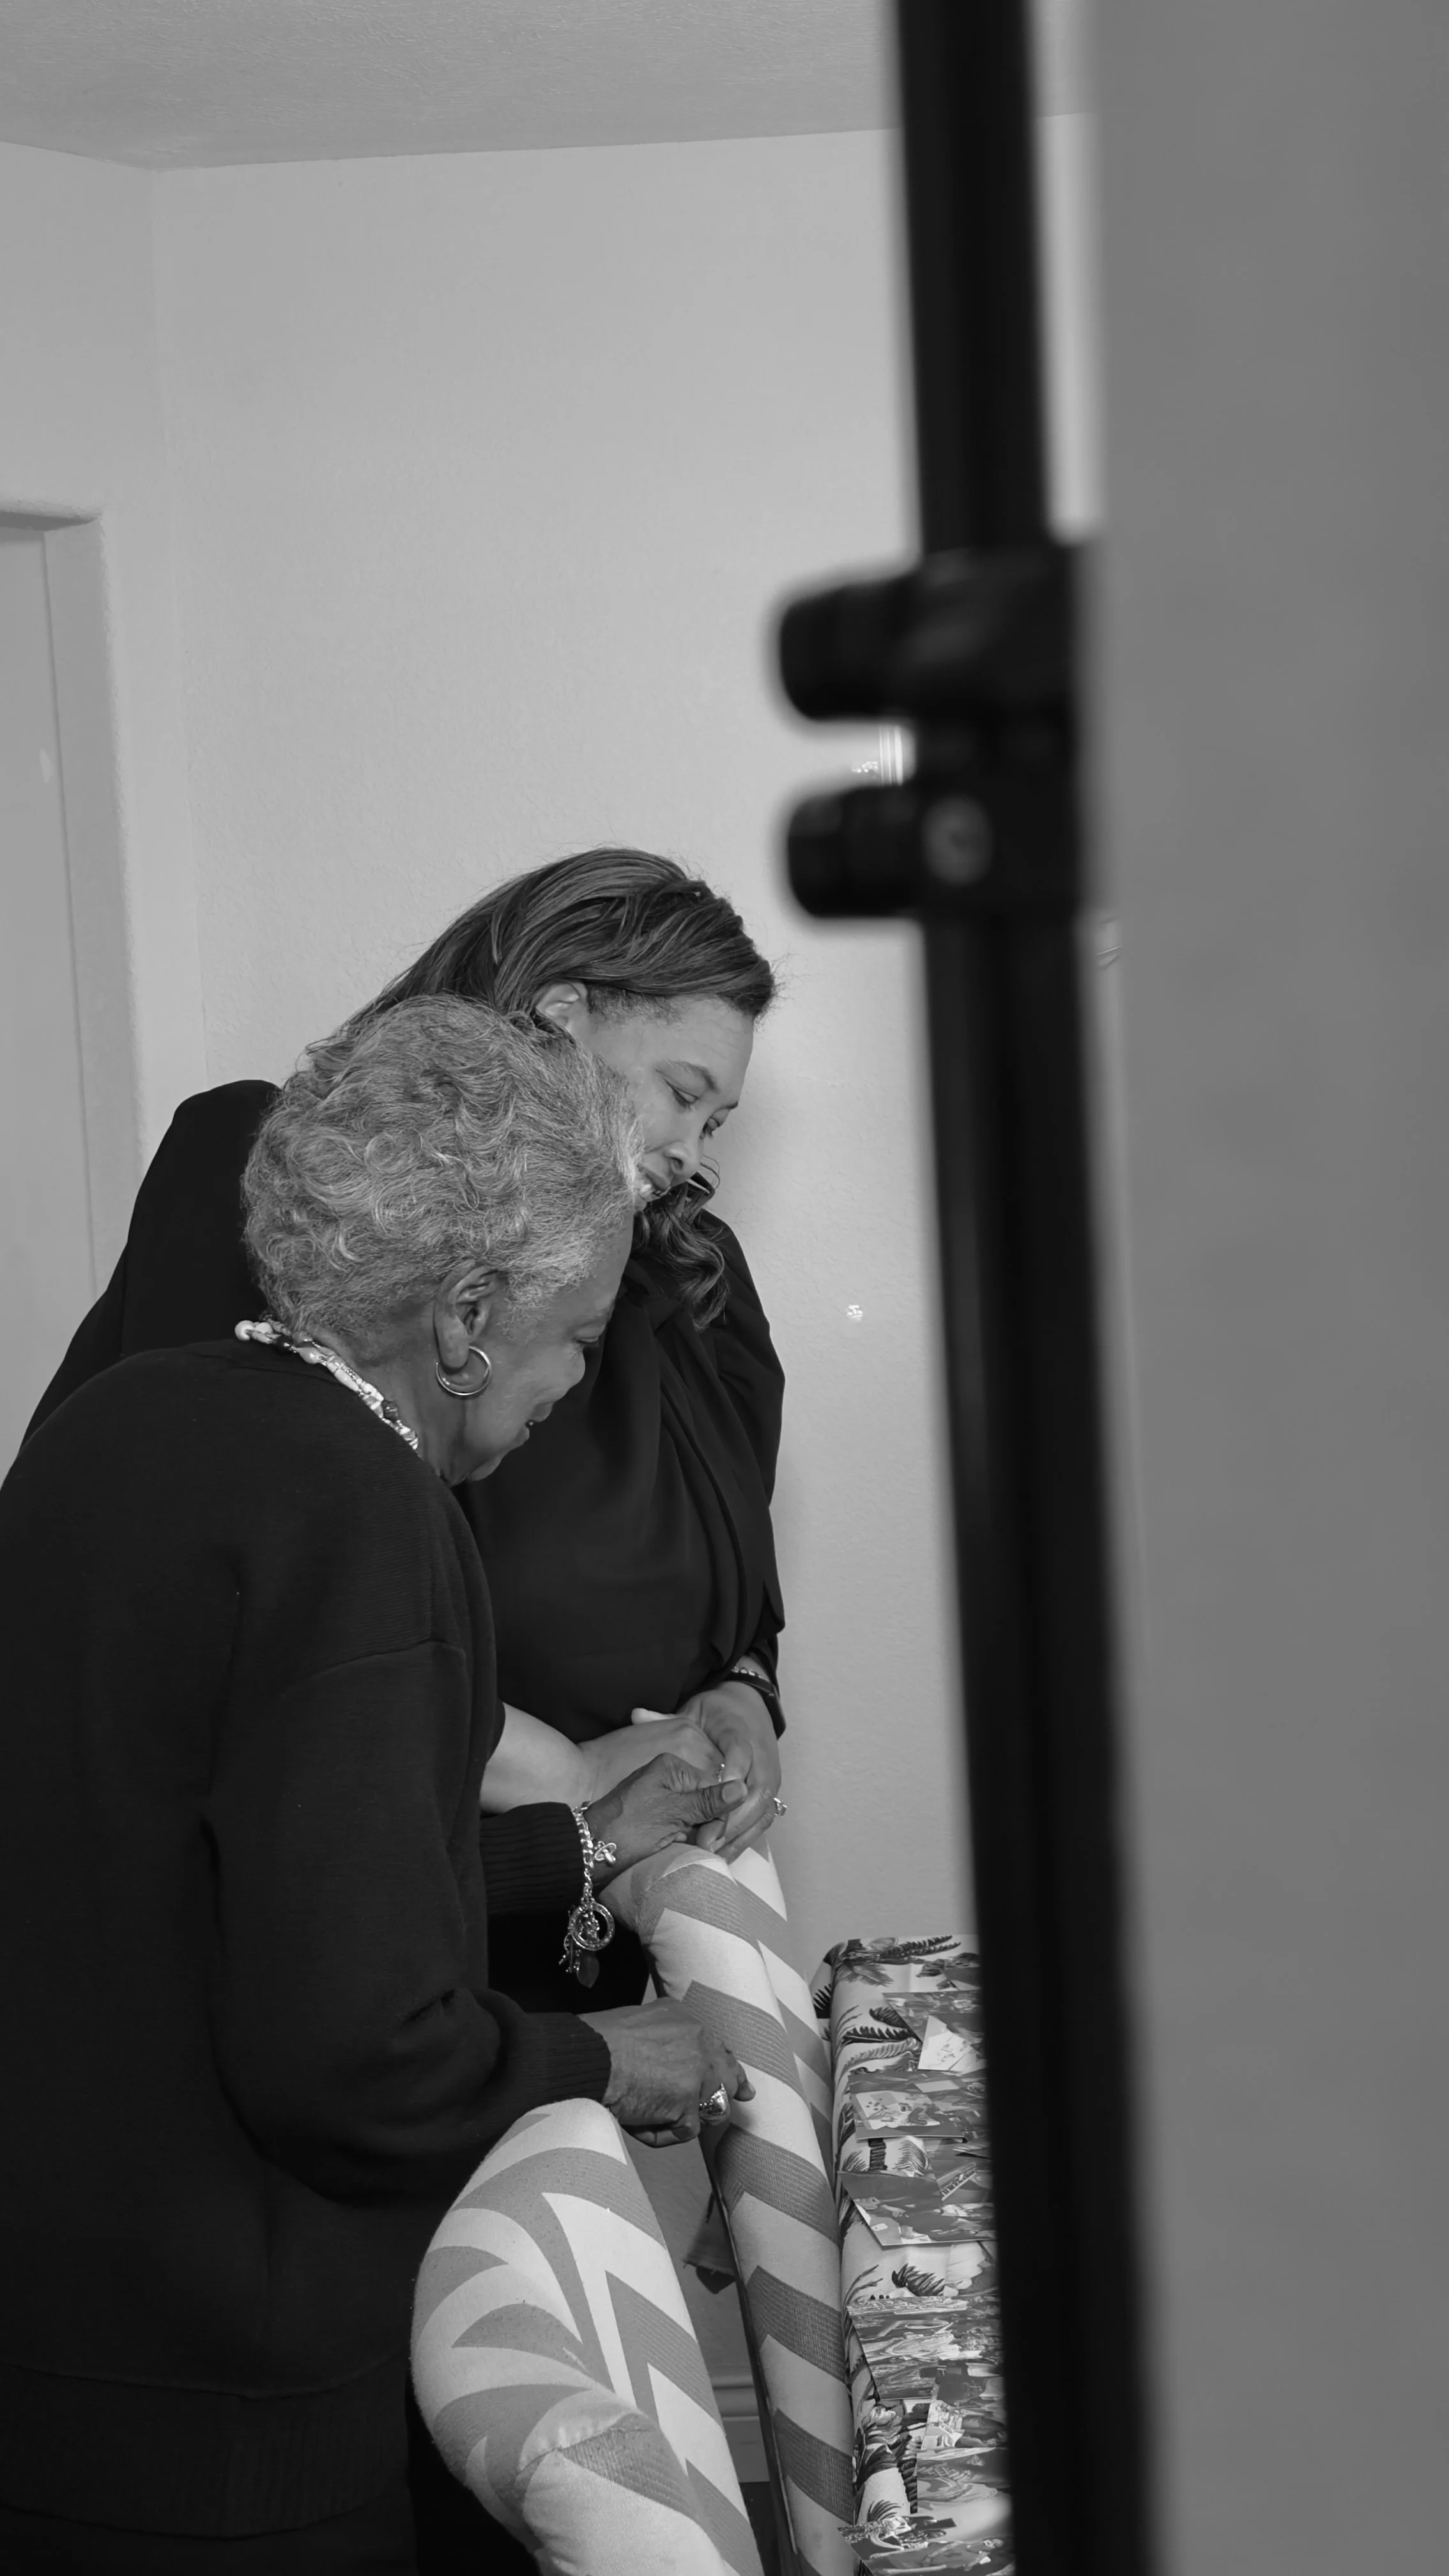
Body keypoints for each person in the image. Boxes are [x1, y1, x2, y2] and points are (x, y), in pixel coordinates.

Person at [0, 1001, 755, 2573]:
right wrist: (601, 2060)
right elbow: (353, 2060)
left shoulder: (122, 1430)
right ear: (470, 1315)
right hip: (224, 2426)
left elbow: (207, 1882)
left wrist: (577, 1850)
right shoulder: (368, 1513)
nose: (567, 1387)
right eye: (580, 1337)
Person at [29, 848, 788, 2016]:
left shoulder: (690, 1274)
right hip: (329, 1918)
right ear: (560, 1014)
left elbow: (738, 1572)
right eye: (682, 1093)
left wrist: (740, 1693)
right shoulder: (275, 1187)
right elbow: (221, 1619)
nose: (694, 1150)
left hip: (569, 1898)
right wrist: (572, 1782)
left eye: (719, 1117)